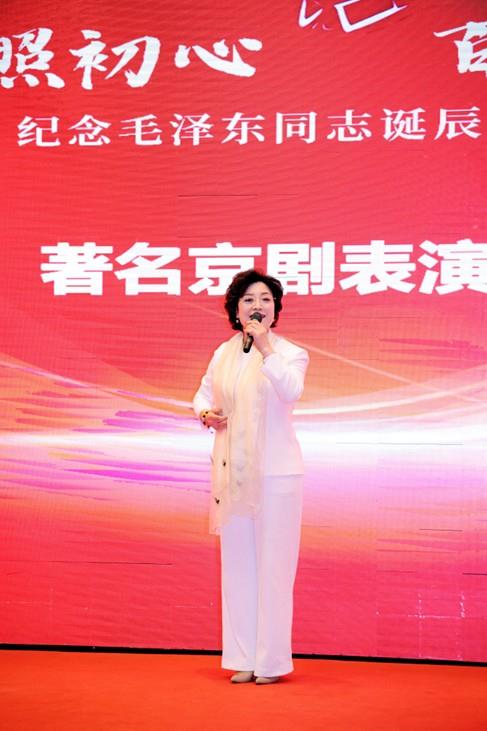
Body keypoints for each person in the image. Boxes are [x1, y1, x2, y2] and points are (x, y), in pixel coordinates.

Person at [193, 269, 309, 685]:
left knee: (274, 570)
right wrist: (206, 414)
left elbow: (291, 391)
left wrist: (264, 347)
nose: (257, 306)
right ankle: (243, 657)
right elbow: (203, 394)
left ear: (275, 310)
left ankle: (271, 662)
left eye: (265, 299)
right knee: (238, 567)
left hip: (277, 477)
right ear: (236, 310)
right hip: (234, 474)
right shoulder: (223, 353)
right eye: (248, 300)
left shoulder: (290, 353)